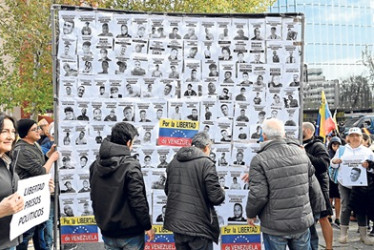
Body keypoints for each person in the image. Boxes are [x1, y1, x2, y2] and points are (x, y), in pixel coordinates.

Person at [246, 119, 317, 249]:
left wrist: (251, 214)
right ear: (283, 134)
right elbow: (310, 174)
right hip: (301, 221)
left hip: (275, 226)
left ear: (264, 135)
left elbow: (259, 194)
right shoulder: (300, 152)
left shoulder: (259, 159)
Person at [90, 122, 154, 248]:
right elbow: (138, 200)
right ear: (128, 142)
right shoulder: (131, 166)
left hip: (108, 230)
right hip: (130, 233)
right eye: (133, 142)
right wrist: (147, 226)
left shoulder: (95, 165)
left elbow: (95, 196)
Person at [164, 132, 225, 249]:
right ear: (207, 147)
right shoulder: (207, 164)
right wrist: (221, 191)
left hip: (178, 226)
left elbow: (168, 191)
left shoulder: (173, 163)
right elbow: (216, 197)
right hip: (199, 227)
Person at [13, 119, 59, 250]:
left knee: (40, 230)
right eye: (34, 129)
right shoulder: (21, 150)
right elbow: (41, 171)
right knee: (26, 234)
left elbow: (39, 163)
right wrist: (52, 158)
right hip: (26, 198)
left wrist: (48, 154)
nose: (39, 131)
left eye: (38, 128)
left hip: (38, 196)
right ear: (25, 134)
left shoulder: (34, 145)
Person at [330, 127, 374, 245]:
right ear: (348, 138)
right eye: (352, 135)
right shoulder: (342, 150)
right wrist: (335, 162)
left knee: (361, 208)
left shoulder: (367, 151)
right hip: (344, 183)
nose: (355, 138)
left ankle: (363, 235)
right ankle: (344, 234)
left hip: (361, 184)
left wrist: (368, 165)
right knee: (345, 207)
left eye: (357, 136)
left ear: (361, 138)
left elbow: (372, 168)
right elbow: (332, 164)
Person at [302, 122, 334, 250]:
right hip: (307, 187)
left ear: (309, 131)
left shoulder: (318, 145)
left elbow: (323, 165)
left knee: (323, 217)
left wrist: (304, 154)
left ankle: (329, 247)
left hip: (320, 187)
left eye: (302, 128)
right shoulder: (299, 144)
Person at [0, 114, 25, 250]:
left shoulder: (7, 161)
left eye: (13, 132)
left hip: (10, 241)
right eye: (4, 131)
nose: (10, 137)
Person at [327, 136, 342, 227]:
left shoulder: (342, 154)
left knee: (338, 199)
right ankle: (329, 215)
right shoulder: (327, 153)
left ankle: (337, 217)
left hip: (339, 179)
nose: (336, 146)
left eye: (338, 145)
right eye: (334, 144)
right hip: (329, 179)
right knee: (329, 198)